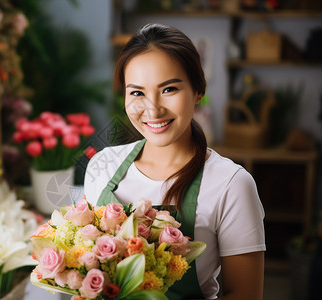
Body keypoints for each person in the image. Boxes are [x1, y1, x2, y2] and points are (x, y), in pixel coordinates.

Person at [83, 23, 265, 300]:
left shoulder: (232, 184)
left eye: (168, 89)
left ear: (198, 92)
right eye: (137, 93)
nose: (153, 109)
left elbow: (245, 294)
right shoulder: (102, 166)